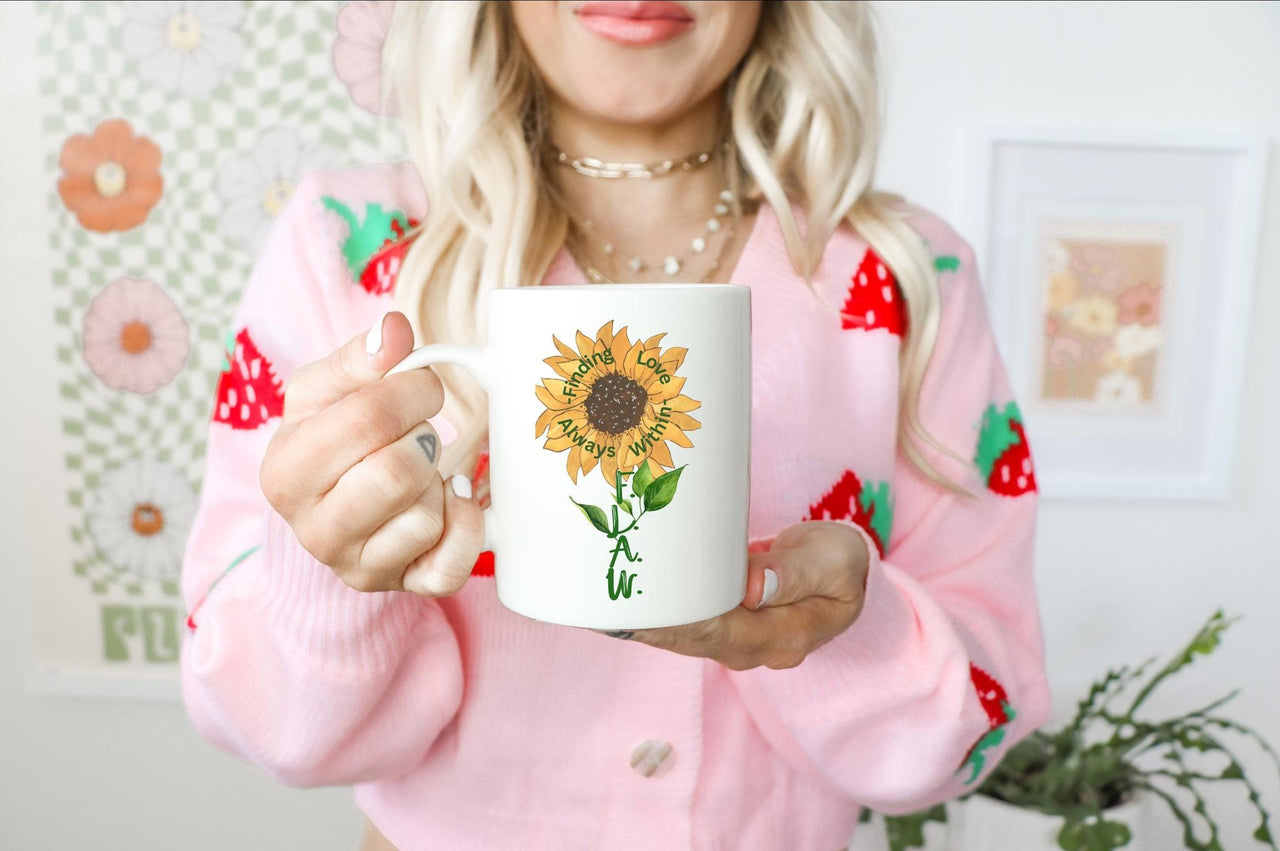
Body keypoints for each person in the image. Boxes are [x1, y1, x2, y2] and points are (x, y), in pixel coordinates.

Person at [179, 2, 1053, 849]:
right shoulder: (345, 246)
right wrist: (328, 567)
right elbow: (268, 723)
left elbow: (980, 722)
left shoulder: (911, 275)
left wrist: (851, 631)